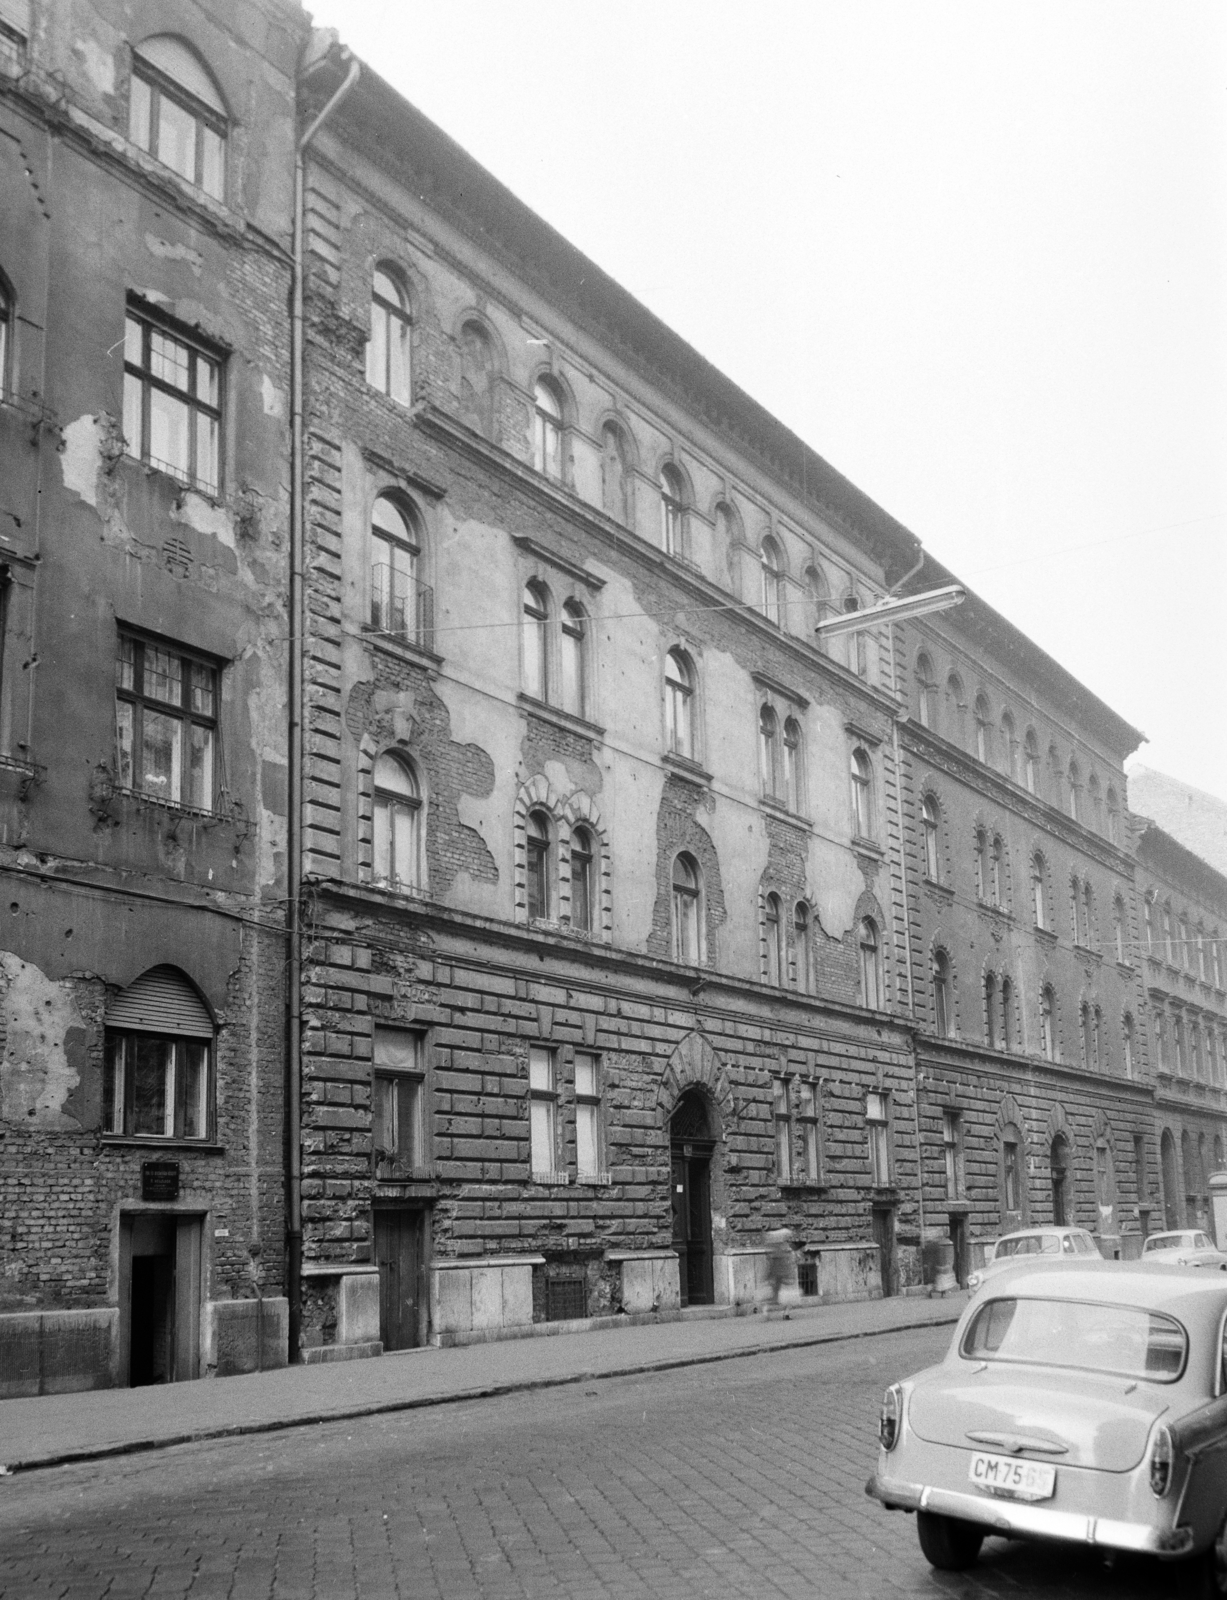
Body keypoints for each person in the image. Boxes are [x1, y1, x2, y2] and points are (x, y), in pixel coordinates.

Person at [765, 1227, 794, 1305]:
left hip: (777, 1268)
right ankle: (776, 1299)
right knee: (778, 1283)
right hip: (780, 1268)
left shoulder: (777, 1246)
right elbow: (780, 1258)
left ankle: (775, 1298)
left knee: (776, 1284)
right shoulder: (781, 1246)